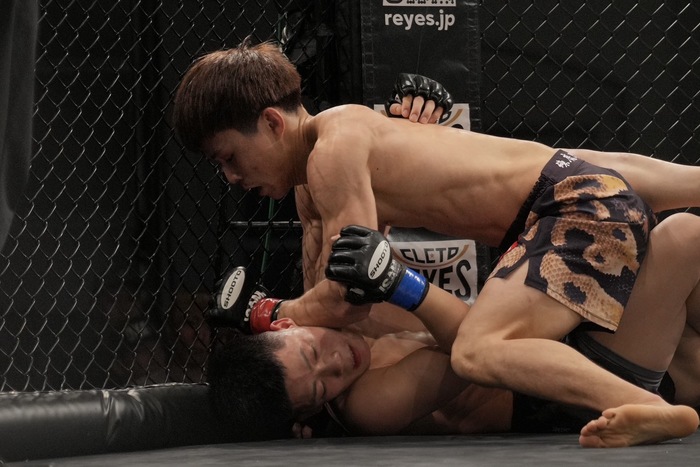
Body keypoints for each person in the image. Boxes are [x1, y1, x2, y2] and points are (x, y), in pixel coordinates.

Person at [172, 40, 700, 446]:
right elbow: (342, 296)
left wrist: (266, 311)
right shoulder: (325, 167)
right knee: (685, 233)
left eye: (229, 158)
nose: (231, 178)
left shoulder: (330, 158)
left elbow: (346, 300)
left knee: (478, 349)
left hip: (563, 209)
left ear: (271, 123)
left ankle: (647, 406)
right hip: (570, 198)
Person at [208, 213, 700, 444]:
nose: (336, 364)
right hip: (571, 393)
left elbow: (320, 208)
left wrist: (413, 119)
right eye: (322, 387)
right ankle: (650, 409)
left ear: (290, 325)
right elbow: (475, 345)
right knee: (683, 238)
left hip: (575, 343)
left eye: (313, 353)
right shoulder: (368, 406)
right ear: (318, 408)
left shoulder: (342, 315)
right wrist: (400, 284)